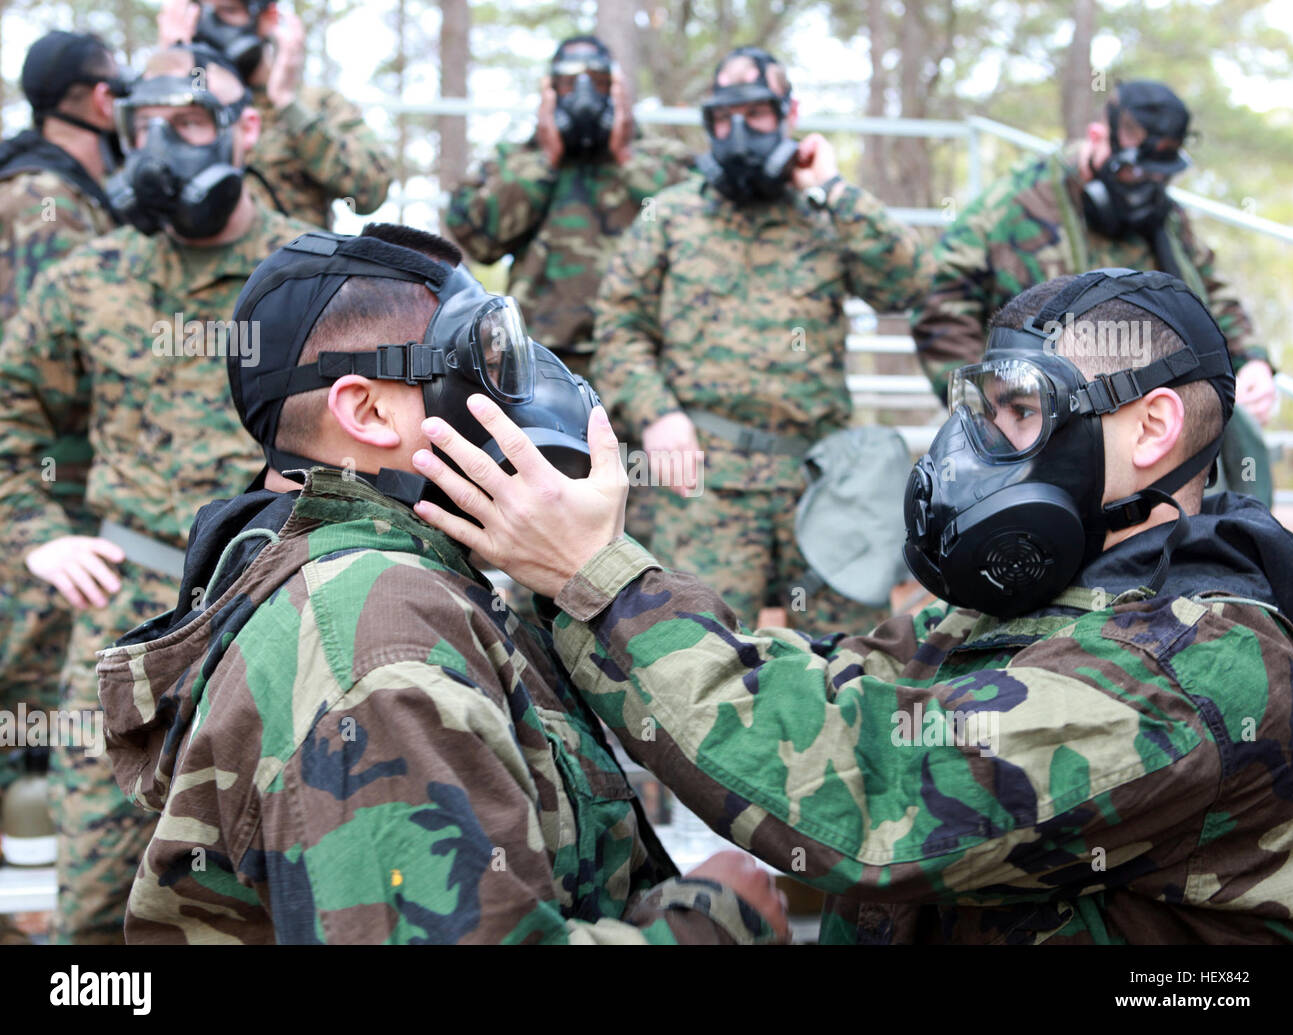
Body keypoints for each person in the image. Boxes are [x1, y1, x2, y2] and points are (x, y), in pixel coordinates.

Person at [410, 267, 1293, 944]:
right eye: (987, 412)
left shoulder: (1191, 667)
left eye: (1022, 413)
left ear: (1151, 429)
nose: (984, 447)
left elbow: (874, 795)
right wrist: (570, 580)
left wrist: (599, 580)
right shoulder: (1056, 596)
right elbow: (839, 686)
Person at [97, 222, 787, 945]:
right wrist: (716, 923)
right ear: (366, 411)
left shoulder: (401, 583)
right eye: (478, 364)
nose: (520, 393)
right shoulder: (375, 639)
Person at [0, 45, 316, 943]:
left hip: (282, 614)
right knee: (97, 907)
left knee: (289, 892)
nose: (164, 146)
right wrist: (34, 531)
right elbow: (10, 411)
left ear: (245, 129)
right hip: (125, 630)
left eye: (189, 124)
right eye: (146, 125)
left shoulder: (315, 278)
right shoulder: (90, 279)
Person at [590, 45, 933, 635]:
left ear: (789, 112)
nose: (739, 131)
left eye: (757, 114)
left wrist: (832, 186)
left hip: (821, 480)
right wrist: (656, 415)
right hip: (705, 484)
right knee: (694, 654)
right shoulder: (669, 217)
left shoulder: (826, 215)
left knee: (849, 657)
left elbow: (909, 283)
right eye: (723, 119)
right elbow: (619, 328)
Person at [911, 80, 1277, 500]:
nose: (1143, 186)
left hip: (1147, 430)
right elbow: (939, 306)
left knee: (1235, 445)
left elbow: (1209, 293)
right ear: (1097, 139)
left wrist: (1252, 363)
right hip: (1044, 432)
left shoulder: (1165, 218)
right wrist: (995, 412)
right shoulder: (1011, 206)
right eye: (1133, 170)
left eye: (1158, 176)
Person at [0, 32, 126, 885]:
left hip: (51, 484)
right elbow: (55, 362)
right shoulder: (47, 197)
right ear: (95, 100)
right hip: (44, 489)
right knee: (31, 701)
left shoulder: (51, 186)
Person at [446, 34, 694, 383]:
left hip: (643, 360)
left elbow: (696, 230)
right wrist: (546, 158)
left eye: (598, 81)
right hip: (541, 360)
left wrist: (625, 155)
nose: (583, 93)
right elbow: (480, 241)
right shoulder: (514, 160)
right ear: (549, 91)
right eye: (567, 83)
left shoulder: (663, 157)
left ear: (618, 88)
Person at [158, 0, 393, 228]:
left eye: (228, 11)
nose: (211, 28)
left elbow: (370, 191)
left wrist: (287, 103)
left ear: (268, 17)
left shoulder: (315, 103)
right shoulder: (175, 105)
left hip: (292, 265)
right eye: (201, 15)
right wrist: (172, 76)